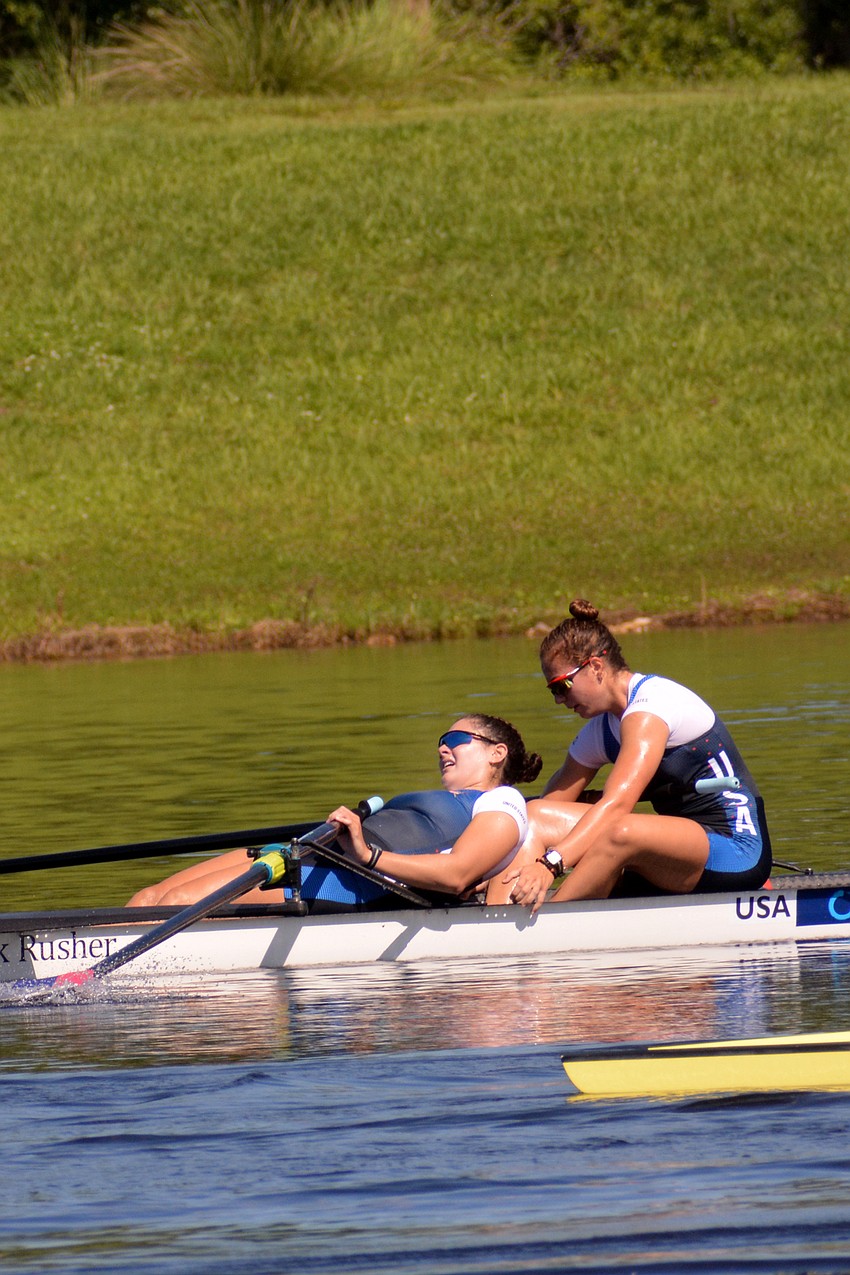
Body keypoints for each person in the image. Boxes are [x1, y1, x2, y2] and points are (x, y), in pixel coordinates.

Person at [505, 599, 772, 912]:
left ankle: (543, 930)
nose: (559, 700)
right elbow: (550, 807)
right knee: (534, 815)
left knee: (620, 831)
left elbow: (618, 805)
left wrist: (550, 865)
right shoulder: (601, 730)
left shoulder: (652, 706)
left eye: (561, 685)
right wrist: (494, 860)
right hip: (673, 849)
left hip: (735, 850)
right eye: (553, 691)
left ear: (594, 667)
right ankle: (504, 910)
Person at [126, 714, 542, 912]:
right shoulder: (451, 800)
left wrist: (369, 856)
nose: (441, 747)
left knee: (177, 901)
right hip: (309, 852)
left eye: (456, 738)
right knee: (149, 896)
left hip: (347, 880)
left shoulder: (503, 803)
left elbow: (458, 876)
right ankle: (70, 965)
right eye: (440, 739)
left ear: (496, 754)